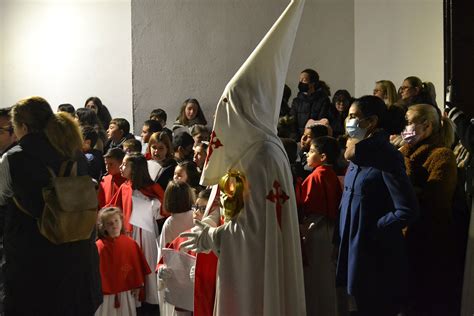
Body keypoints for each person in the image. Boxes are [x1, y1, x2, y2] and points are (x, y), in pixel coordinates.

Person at [179, 1, 306, 315]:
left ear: (247, 108)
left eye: (230, 105)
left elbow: (250, 232)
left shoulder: (261, 156)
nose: (224, 115)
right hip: (245, 269)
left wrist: (211, 237)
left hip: (252, 273)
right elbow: (233, 211)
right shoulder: (252, 151)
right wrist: (210, 221)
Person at [0, 96, 102, 314]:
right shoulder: (75, 154)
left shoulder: (14, 158)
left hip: (33, 270)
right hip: (81, 267)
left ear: (23, 127)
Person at [336, 95, 419, 315]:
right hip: (355, 251)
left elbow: (407, 209)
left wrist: (374, 229)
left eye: (354, 116)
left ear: (371, 122)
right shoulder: (357, 153)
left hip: (376, 258)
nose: (348, 121)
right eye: (348, 116)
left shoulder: (385, 156)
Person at [399, 104, 461, 315]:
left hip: (430, 240)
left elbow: (436, 199)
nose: (405, 127)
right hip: (407, 237)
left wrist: (407, 180)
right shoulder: (405, 152)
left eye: (409, 122)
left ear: (426, 126)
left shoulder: (442, 156)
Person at [108, 153, 165, 313]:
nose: (121, 167)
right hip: (129, 234)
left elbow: (164, 208)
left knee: (147, 262)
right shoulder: (125, 187)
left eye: (125, 164)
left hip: (146, 233)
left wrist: (154, 205)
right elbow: (114, 207)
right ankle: (134, 299)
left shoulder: (151, 188)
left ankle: (150, 299)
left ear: (135, 169)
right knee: (130, 265)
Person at [299, 136, 342, 316]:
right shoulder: (330, 174)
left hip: (316, 228)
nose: (307, 154)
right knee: (326, 278)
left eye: (311, 151)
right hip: (330, 228)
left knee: (315, 278)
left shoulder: (317, 175)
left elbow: (307, 204)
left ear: (323, 156)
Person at [95, 207, 151, 316]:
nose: (114, 225)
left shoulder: (130, 244)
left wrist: (138, 285)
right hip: (105, 295)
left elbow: (136, 266)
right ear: (104, 227)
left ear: (121, 221)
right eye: (109, 223)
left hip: (127, 292)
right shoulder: (98, 247)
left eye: (116, 221)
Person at [157, 180, 195, 316]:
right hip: (193, 272)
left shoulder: (170, 223)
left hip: (177, 275)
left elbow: (163, 252)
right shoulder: (196, 217)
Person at [290, 68, 331, 140]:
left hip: (315, 139)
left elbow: (321, 122)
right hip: (298, 139)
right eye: (300, 80)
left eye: (304, 80)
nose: (301, 82)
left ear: (312, 83)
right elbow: (292, 122)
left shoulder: (323, 100)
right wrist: (296, 139)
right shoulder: (296, 101)